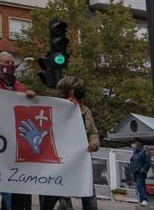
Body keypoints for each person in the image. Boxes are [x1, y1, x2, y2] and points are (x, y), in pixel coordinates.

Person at [0, 52, 37, 210]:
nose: (11, 64)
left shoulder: (21, 88)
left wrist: (31, 97)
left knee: (11, 195)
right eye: (6, 62)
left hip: (13, 149)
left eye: (12, 61)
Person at [40, 76, 100, 210]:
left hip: (81, 162)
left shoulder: (85, 110)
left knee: (89, 196)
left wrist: (93, 144)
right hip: (59, 163)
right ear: (66, 91)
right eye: (76, 88)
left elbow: (93, 133)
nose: (80, 91)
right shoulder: (55, 107)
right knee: (51, 195)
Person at [129, 138, 152, 206]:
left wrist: (143, 169)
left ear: (140, 143)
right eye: (135, 142)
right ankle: (142, 200)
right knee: (141, 186)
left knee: (140, 185)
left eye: (136, 142)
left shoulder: (145, 151)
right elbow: (133, 160)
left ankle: (144, 200)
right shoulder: (135, 151)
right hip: (135, 172)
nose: (135, 143)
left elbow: (148, 162)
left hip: (140, 172)